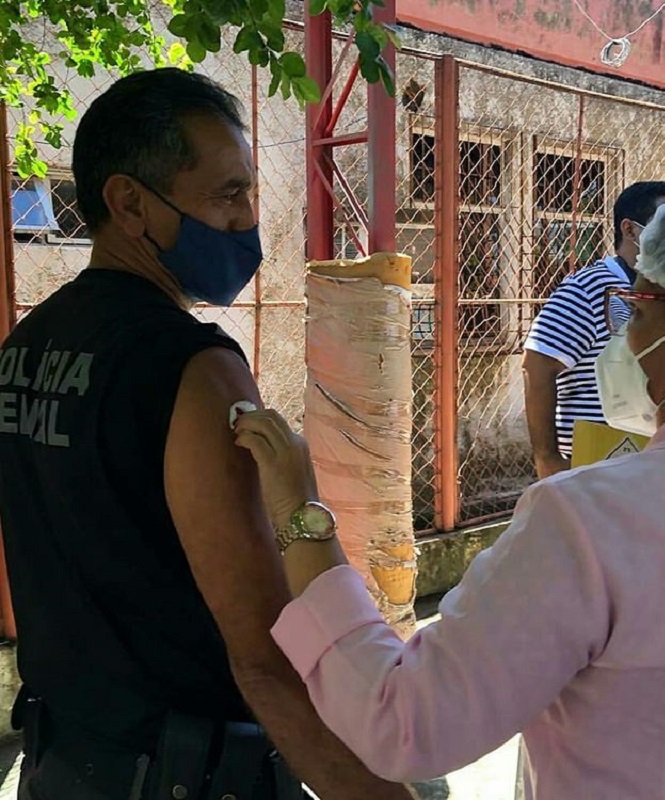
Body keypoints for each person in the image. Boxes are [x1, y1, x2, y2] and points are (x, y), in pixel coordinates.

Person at [235, 189, 665, 799]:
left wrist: (299, 515)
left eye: (637, 313)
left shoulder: (596, 519)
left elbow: (407, 723)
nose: (624, 340)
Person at [0, 68, 414, 800]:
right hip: (187, 772)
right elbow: (263, 655)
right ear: (129, 202)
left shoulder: (26, 348)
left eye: (248, 192)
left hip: (62, 762)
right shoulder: (195, 370)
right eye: (227, 196)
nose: (249, 219)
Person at [522, 180, 665, 478]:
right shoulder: (589, 288)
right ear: (630, 230)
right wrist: (548, 459)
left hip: (652, 455)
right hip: (597, 456)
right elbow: (537, 366)